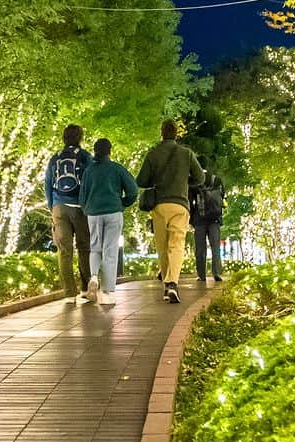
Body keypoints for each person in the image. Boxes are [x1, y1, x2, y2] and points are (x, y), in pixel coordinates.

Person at [136, 119, 203, 303]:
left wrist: (156, 181)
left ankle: (167, 284)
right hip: (180, 204)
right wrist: (184, 182)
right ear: (176, 133)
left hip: (159, 205)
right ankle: (172, 283)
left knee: (162, 246)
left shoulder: (153, 154)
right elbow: (200, 177)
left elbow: (141, 181)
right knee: (176, 244)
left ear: (161, 133)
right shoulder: (186, 153)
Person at [78, 137, 138, 305]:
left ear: (95, 151)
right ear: (109, 151)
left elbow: (82, 196)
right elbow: (133, 190)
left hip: (93, 213)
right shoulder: (116, 169)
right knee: (110, 251)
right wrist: (123, 203)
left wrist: (87, 209)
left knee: (95, 248)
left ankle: (94, 277)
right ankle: (106, 293)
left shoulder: (89, 171)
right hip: (113, 212)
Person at [44, 124, 92, 304]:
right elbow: (89, 181)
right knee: (84, 247)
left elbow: (47, 183)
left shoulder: (54, 158)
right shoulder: (85, 156)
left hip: (59, 207)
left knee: (64, 250)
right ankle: (86, 289)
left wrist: (52, 206)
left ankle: (69, 293)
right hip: (79, 207)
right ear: (80, 137)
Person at [189, 161, 226, 283]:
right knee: (216, 247)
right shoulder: (216, 180)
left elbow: (190, 201)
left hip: (199, 218)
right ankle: (217, 273)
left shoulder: (194, 182)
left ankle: (201, 275)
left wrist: (191, 219)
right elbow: (222, 197)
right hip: (214, 218)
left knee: (200, 249)